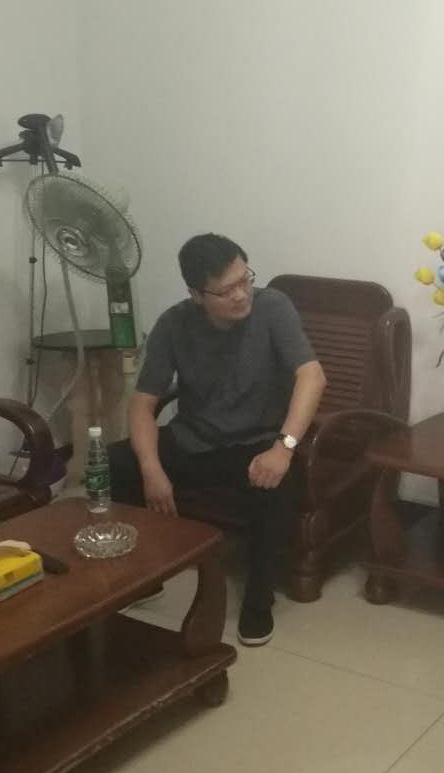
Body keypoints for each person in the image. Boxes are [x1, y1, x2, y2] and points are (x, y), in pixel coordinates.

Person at [109, 234, 327, 647]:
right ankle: (143, 577)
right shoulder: (174, 324)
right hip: (196, 440)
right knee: (117, 462)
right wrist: (151, 469)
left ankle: (258, 602)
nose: (241, 294)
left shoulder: (273, 307)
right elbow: (142, 404)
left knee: (275, 488)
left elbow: (311, 375)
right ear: (196, 294)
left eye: (245, 279)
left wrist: (283, 448)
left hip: (257, 442)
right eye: (227, 290)